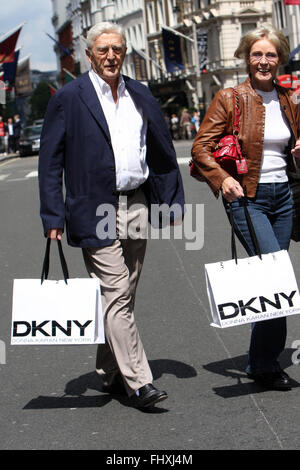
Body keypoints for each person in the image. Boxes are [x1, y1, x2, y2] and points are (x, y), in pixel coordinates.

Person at [38, 22, 185, 408]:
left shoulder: (140, 93)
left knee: (124, 294)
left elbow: (161, 149)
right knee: (117, 291)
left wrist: (170, 201)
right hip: (93, 206)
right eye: (102, 50)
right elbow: (50, 163)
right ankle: (139, 382)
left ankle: (109, 370)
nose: (110, 56)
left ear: (124, 53)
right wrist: (52, 217)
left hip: (134, 202)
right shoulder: (69, 98)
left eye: (116, 49)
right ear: (89, 55)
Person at [191, 24, 300, 391]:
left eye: (271, 55)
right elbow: (200, 148)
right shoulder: (230, 98)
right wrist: (222, 179)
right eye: (257, 54)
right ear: (246, 57)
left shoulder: (287, 99)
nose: (264, 61)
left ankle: (260, 360)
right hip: (248, 198)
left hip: (283, 198)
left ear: (280, 58)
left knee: (270, 281)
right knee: (277, 279)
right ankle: (265, 364)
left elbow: (293, 147)